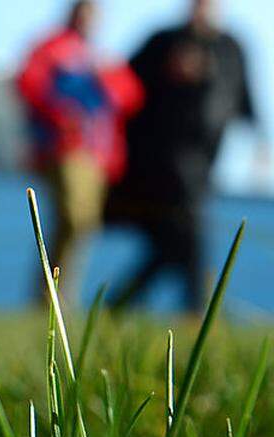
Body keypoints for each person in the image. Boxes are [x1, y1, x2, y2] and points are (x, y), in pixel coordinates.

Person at [106, 0, 262, 312]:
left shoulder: (231, 47)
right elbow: (123, 86)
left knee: (172, 242)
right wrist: (167, 71)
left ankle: (120, 304)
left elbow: (244, 96)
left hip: (204, 160)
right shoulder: (163, 41)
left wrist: (260, 142)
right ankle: (197, 309)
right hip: (159, 161)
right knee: (189, 230)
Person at [17, 1, 143, 306]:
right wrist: (60, 113)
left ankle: (59, 297)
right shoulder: (53, 48)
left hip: (98, 154)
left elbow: (131, 95)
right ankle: (49, 297)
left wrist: (104, 78)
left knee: (82, 223)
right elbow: (28, 82)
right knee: (74, 217)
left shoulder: (100, 58)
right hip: (64, 148)